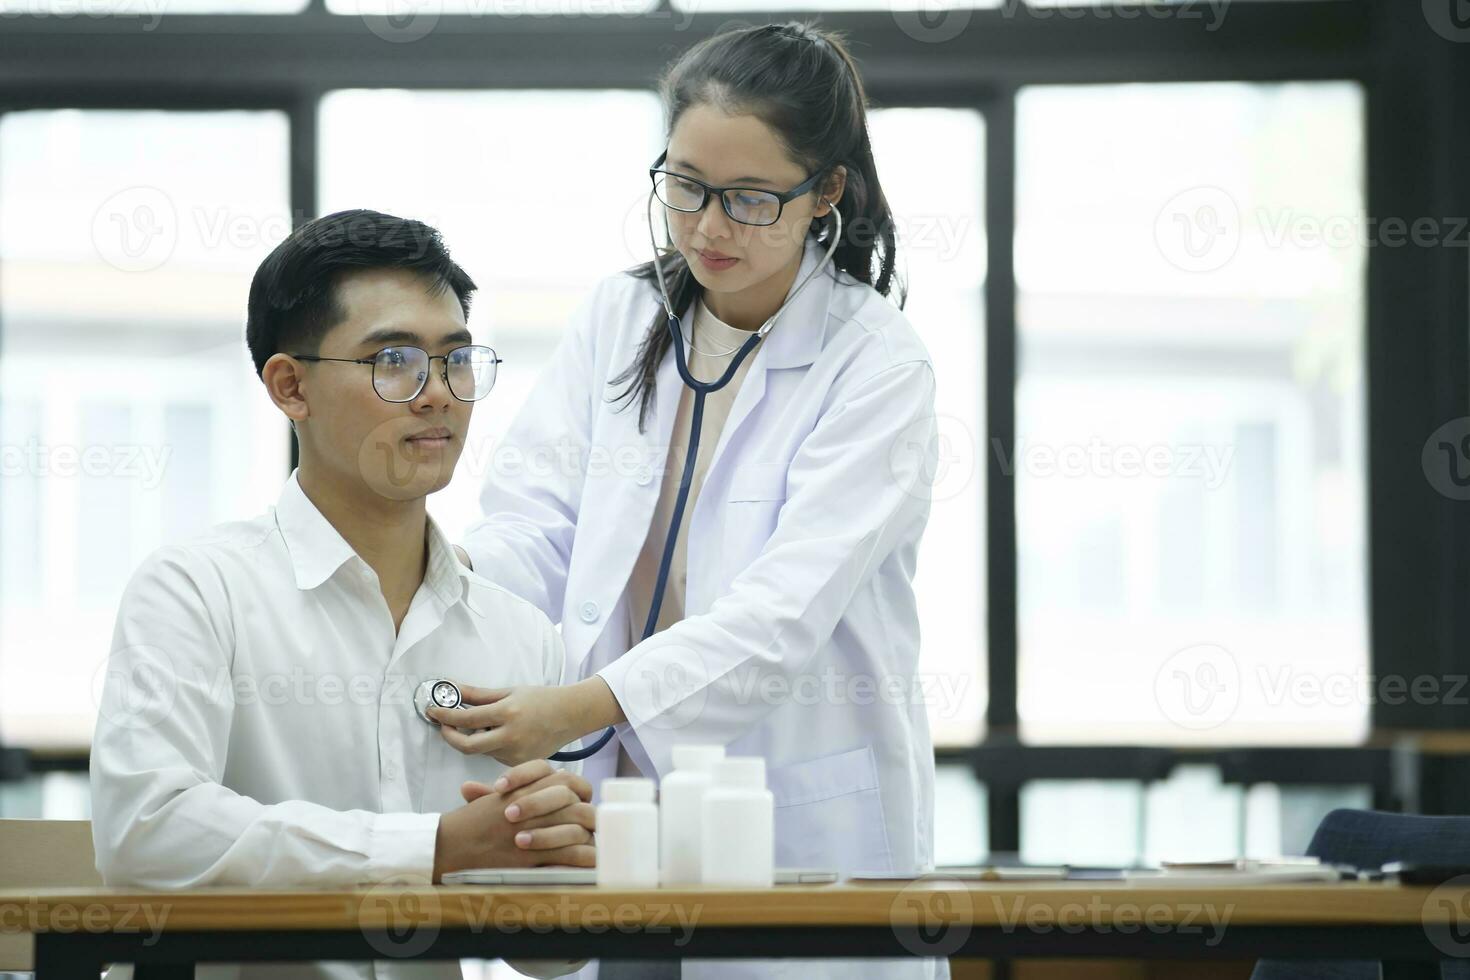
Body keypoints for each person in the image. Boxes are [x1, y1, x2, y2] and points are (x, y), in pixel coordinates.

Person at [452, 24, 945, 980]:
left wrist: (577, 706)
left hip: (791, 818)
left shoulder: (876, 363)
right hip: (612, 811)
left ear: (826, 194)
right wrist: (444, 586)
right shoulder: (621, 315)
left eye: (750, 199)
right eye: (684, 186)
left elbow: (779, 616)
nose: (708, 228)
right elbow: (534, 521)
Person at [90, 209, 590, 980]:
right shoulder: (195, 591)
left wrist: (560, 861)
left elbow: (547, 961)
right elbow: (146, 834)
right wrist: (436, 848)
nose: (438, 396)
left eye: (456, 360)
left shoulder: (519, 634)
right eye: (394, 361)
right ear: (291, 387)